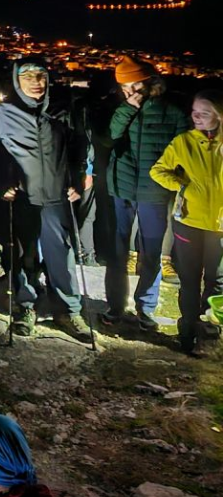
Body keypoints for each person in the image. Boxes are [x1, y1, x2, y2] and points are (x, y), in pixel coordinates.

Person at [0, 61, 90, 340]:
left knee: (61, 256)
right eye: (27, 77)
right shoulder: (1, 113)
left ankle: (68, 310)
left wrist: (77, 182)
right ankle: (26, 306)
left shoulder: (62, 111)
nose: (36, 82)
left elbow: (79, 148)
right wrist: (0, 184)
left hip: (56, 196)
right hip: (23, 198)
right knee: (24, 255)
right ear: (17, 81)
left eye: (41, 76)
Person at [105, 56, 190, 326]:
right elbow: (111, 136)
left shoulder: (172, 112)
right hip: (123, 186)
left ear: (149, 80)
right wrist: (127, 109)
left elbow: (183, 152)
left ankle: (146, 306)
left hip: (154, 191)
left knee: (151, 249)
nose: (130, 91)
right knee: (118, 249)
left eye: (135, 85)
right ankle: (116, 305)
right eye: (125, 87)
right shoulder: (121, 108)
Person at [150, 90, 223, 357]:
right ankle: (187, 332)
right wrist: (182, 186)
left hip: (220, 225)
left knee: (218, 281)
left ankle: (210, 332)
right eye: (194, 112)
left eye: (204, 112)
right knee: (190, 280)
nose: (197, 117)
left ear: (219, 114)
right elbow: (158, 170)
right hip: (189, 221)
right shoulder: (184, 142)